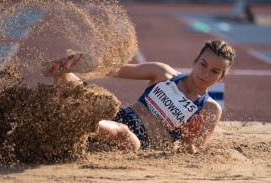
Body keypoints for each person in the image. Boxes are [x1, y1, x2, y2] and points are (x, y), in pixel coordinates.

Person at [52, 40, 235, 153]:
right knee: (79, 86)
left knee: (123, 132)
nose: (205, 73)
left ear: (221, 77)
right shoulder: (163, 73)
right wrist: (111, 59)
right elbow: (111, 70)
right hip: (119, 117)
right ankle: (61, 75)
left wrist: (188, 142)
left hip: (139, 141)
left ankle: (78, 119)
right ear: (196, 61)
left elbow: (194, 153)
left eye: (214, 71)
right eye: (203, 65)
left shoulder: (209, 108)